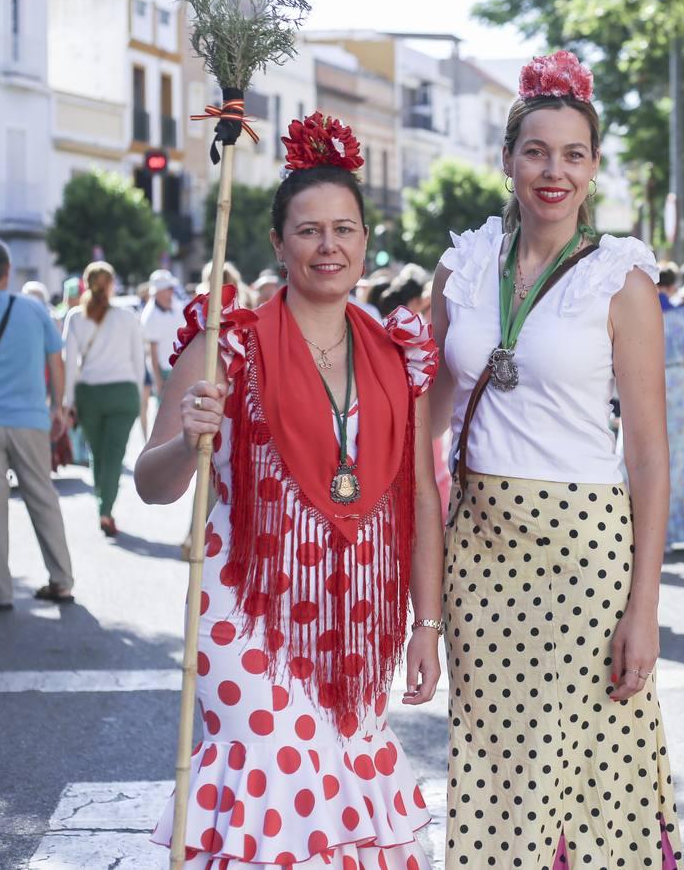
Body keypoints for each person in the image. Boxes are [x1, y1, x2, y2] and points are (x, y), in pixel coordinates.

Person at [137, 111, 443, 868]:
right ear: (278, 243)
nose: (328, 245)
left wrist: (426, 624)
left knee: (342, 795)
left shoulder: (400, 354)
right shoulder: (226, 343)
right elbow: (152, 484)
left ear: (367, 242)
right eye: (308, 230)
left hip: (361, 623)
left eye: (344, 228)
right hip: (247, 615)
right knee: (274, 781)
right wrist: (189, 438)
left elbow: (420, 501)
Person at [427, 50, 682, 867]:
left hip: (586, 556)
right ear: (507, 162)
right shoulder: (460, 267)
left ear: (594, 168)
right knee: (492, 774)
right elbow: (423, 418)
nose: (553, 171)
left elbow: (648, 455)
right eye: (536, 152)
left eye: (574, 155)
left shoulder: (621, 279)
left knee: (588, 775)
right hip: (479, 554)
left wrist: (645, 608)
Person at [0, 239, 76, 609]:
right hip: (30, 418)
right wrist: (58, 407)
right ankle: (61, 580)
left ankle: (0, 591)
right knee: (42, 499)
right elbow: (56, 359)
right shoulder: (32, 309)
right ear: (7, 272)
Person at [62, 261, 144, 537]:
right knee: (114, 455)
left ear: (85, 284)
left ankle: (103, 504)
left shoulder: (75, 316)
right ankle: (106, 508)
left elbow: (69, 363)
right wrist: (139, 397)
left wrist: (67, 401)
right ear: (110, 285)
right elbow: (138, 361)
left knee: (98, 454)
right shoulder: (128, 316)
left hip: (90, 395)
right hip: (123, 393)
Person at [659, 268, 684, 552]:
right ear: (673, 287)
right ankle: (673, 529)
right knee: (679, 458)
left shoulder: (642, 313)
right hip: (678, 385)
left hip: (649, 382)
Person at [141, 269, 185, 404]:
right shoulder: (149, 316)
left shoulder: (177, 305)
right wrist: (158, 380)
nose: (172, 291)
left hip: (182, 366)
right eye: (168, 288)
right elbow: (152, 351)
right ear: (158, 291)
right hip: (165, 371)